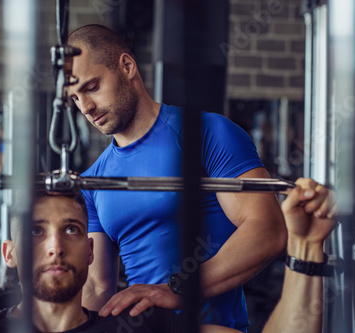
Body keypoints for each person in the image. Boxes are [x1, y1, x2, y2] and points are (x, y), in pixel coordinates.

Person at [66, 24, 286, 331]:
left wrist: (177, 289)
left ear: (127, 66)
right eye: (75, 99)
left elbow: (268, 229)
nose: (86, 108)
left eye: (92, 87)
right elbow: (98, 288)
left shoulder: (208, 133)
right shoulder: (94, 181)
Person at [0, 179, 336, 333]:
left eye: (71, 229)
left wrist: (307, 247)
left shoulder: (138, 326)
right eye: (36, 232)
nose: (55, 245)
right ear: (11, 252)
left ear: (91, 250)